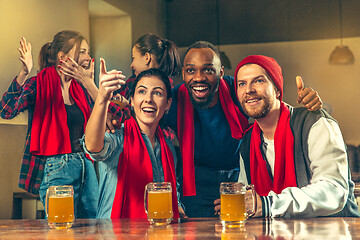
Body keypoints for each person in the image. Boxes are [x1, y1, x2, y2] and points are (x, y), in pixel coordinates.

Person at [166, 41, 323, 217]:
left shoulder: (239, 89)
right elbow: (148, 120)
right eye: (190, 70)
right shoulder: (173, 99)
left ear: (221, 72)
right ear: (183, 73)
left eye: (208, 70)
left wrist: (309, 105)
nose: (199, 77)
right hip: (194, 183)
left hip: (238, 178)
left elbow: (268, 106)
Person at [229, 55, 360, 218]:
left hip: (336, 231)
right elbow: (250, 201)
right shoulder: (247, 143)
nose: (248, 89)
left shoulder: (315, 123)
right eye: (242, 83)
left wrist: (269, 204)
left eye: (259, 81)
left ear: (277, 90)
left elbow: (333, 191)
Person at [0, 31, 98, 218]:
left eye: (88, 52)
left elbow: (110, 116)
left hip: (86, 165)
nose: (88, 57)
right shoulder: (37, 84)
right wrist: (24, 73)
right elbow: (6, 110)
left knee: (92, 228)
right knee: (61, 228)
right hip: (56, 166)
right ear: (63, 57)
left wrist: (89, 84)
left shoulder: (82, 88)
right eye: (83, 51)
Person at [83, 62, 180, 219]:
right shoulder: (118, 137)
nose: (149, 99)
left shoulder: (167, 147)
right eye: (142, 92)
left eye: (157, 93)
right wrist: (102, 98)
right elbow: (93, 146)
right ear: (132, 101)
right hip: (115, 235)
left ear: (168, 104)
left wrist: (179, 208)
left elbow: (172, 191)